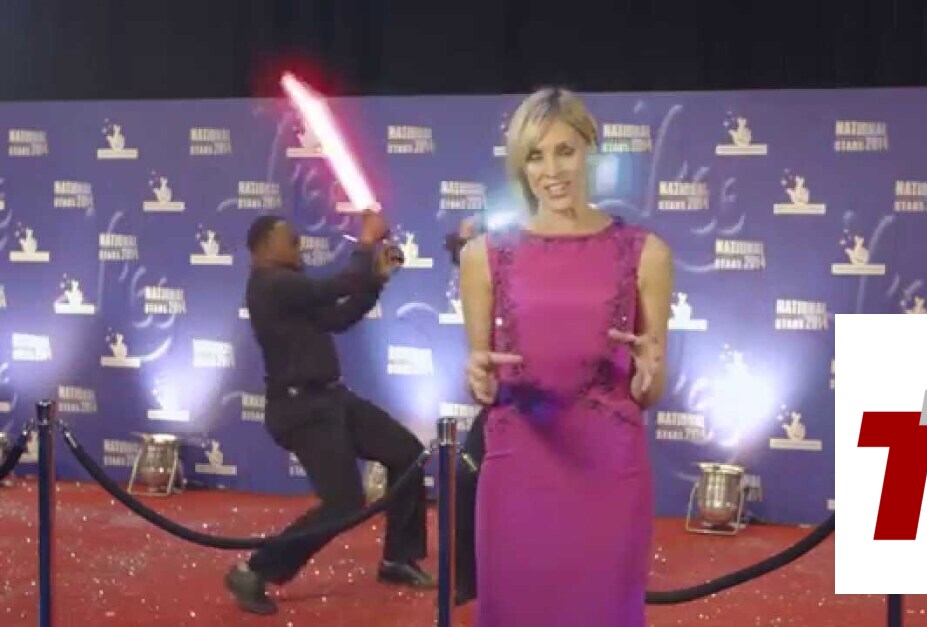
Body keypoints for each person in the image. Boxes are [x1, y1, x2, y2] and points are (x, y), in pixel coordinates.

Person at [459, 87, 673, 626]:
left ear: (590, 151)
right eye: (535, 156)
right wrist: (478, 380)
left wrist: (648, 375)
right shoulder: (483, 257)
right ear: (520, 165)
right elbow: (482, 382)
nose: (551, 171)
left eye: (565, 151)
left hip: (610, 471)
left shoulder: (646, 252)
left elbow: (649, 390)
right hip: (518, 468)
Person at [224, 211, 435, 616]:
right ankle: (254, 571)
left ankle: (398, 560)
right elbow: (339, 286)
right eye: (291, 240)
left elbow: (340, 317)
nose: (300, 245)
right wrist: (366, 242)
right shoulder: (271, 285)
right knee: (343, 502)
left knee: (407, 454)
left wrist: (377, 280)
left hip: (331, 400)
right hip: (301, 410)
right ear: (264, 247)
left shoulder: (289, 291)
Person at [444, 215, 487, 606]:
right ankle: (466, 580)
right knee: (467, 475)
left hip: (555, 404)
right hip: (504, 403)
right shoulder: (484, 273)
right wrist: (464, 242)